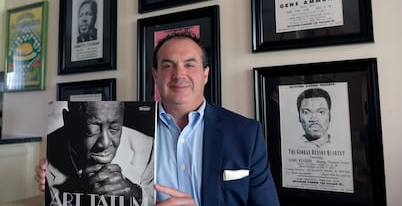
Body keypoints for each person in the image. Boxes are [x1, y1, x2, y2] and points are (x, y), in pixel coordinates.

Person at [36, 32, 280, 206]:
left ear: (206, 74)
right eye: (168, 65)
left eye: (190, 64)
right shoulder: (129, 140)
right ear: (155, 74)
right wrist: (54, 181)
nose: (179, 74)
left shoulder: (246, 134)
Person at [44, 101, 154, 205]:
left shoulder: (148, 147)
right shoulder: (44, 153)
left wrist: (138, 196)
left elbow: (156, 199)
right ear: (68, 121)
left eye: (115, 128)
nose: (105, 143)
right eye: (91, 130)